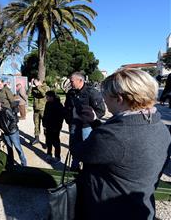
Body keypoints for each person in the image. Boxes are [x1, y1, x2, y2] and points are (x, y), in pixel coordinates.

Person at [70, 68, 171, 220]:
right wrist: (95, 122)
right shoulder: (159, 126)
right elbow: (119, 146)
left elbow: (78, 151)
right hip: (142, 208)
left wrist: (76, 121)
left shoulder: (113, 135)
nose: (104, 100)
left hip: (110, 211)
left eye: (106, 96)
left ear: (119, 99)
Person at [64, 72, 105, 171]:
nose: (70, 83)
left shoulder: (92, 92)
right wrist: (69, 119)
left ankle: (88, 170)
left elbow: (101, 111)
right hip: (74, 125)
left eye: (72, 81)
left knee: (87, 149)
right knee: (74, 147)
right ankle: (75, 168)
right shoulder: (70, 93)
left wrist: (88, 119)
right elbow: (67, 107)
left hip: (87, 127)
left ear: (80, 81)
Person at [0, 97, 27, 167]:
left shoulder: (6, 110)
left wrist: (9, 129)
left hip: (13, 132)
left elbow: (14, 120)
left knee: (18, 148)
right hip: (6, 134)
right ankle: (11, 164)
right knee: (9, 149)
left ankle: (24, 164)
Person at [42, 91, 64, 163]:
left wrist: (58, 127)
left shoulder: (59, 105)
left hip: (55, 127)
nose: (46, 98)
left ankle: (57, 157)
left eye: (47, 97)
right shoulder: (47, 104)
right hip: (48, 126)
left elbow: (61, 118)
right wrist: (44, 124)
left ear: (52, 97)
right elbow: (45, 114)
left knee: (56, 142)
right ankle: (49, 154)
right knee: (48, 141)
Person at [30, 78, 49, 145]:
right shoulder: (34, 88)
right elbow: (28, 94)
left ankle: (47, 141)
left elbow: (44, 94)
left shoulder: (46, 87)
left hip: (43, 109)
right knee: (36, 125)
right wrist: (31, 85)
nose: (35, 84)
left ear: (39, 81)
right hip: (36, 110)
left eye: (36, 82)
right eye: (34, 82)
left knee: (45, 126)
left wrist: (38, 86)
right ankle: (36, 138)